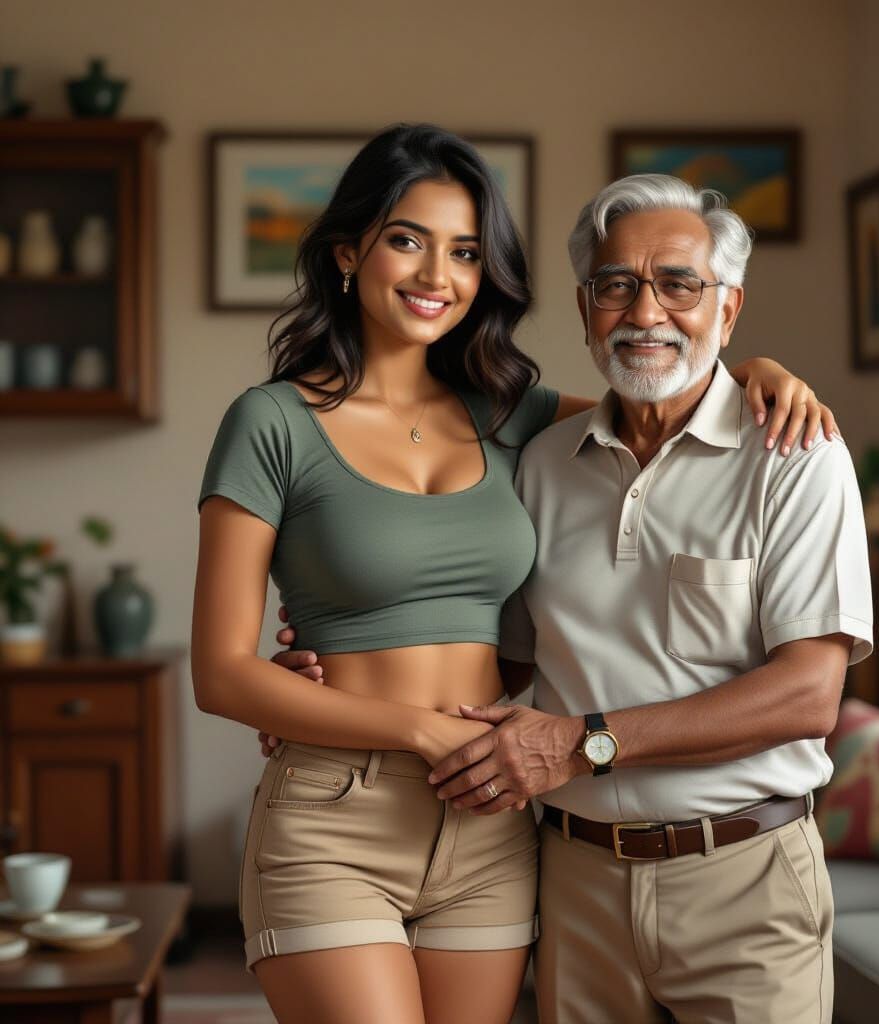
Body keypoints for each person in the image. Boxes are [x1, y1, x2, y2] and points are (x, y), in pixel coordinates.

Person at [193, 124, 837, 1024]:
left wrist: (760, 369)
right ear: (348, 252)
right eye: (406, 240)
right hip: (343, 810)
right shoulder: (269, 422)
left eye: (464, 251)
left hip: (495, 822)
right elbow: (219, 674)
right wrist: (407, 729)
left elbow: (667, 391)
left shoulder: (513, 415)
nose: (435, 276)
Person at [424, 175, 874, 1023]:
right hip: (574, 882)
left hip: (745, 880)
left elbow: (810, 696)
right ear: (585, 306)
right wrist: (338, 682)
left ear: (728, 310)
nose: (646, 311)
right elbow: (500, 664)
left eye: (678, 283)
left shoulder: (798, 455)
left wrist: (580, 745)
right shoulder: (543, 466)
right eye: (616, 285)